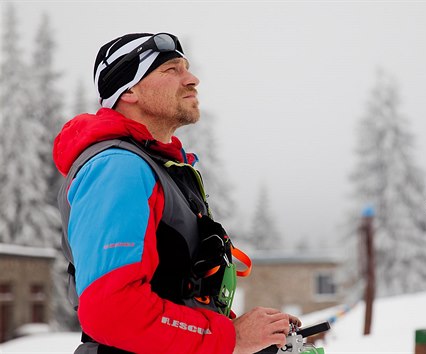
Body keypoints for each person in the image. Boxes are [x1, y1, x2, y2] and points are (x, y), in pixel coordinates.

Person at [53, 32, 299, 354]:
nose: (192, 79)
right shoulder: (117, 169)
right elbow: (113, 312)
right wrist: (230, 338)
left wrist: (252, 336)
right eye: (171, 70)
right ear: (128, 91)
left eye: (187, 68)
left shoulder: (159, 168)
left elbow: (175, 291)